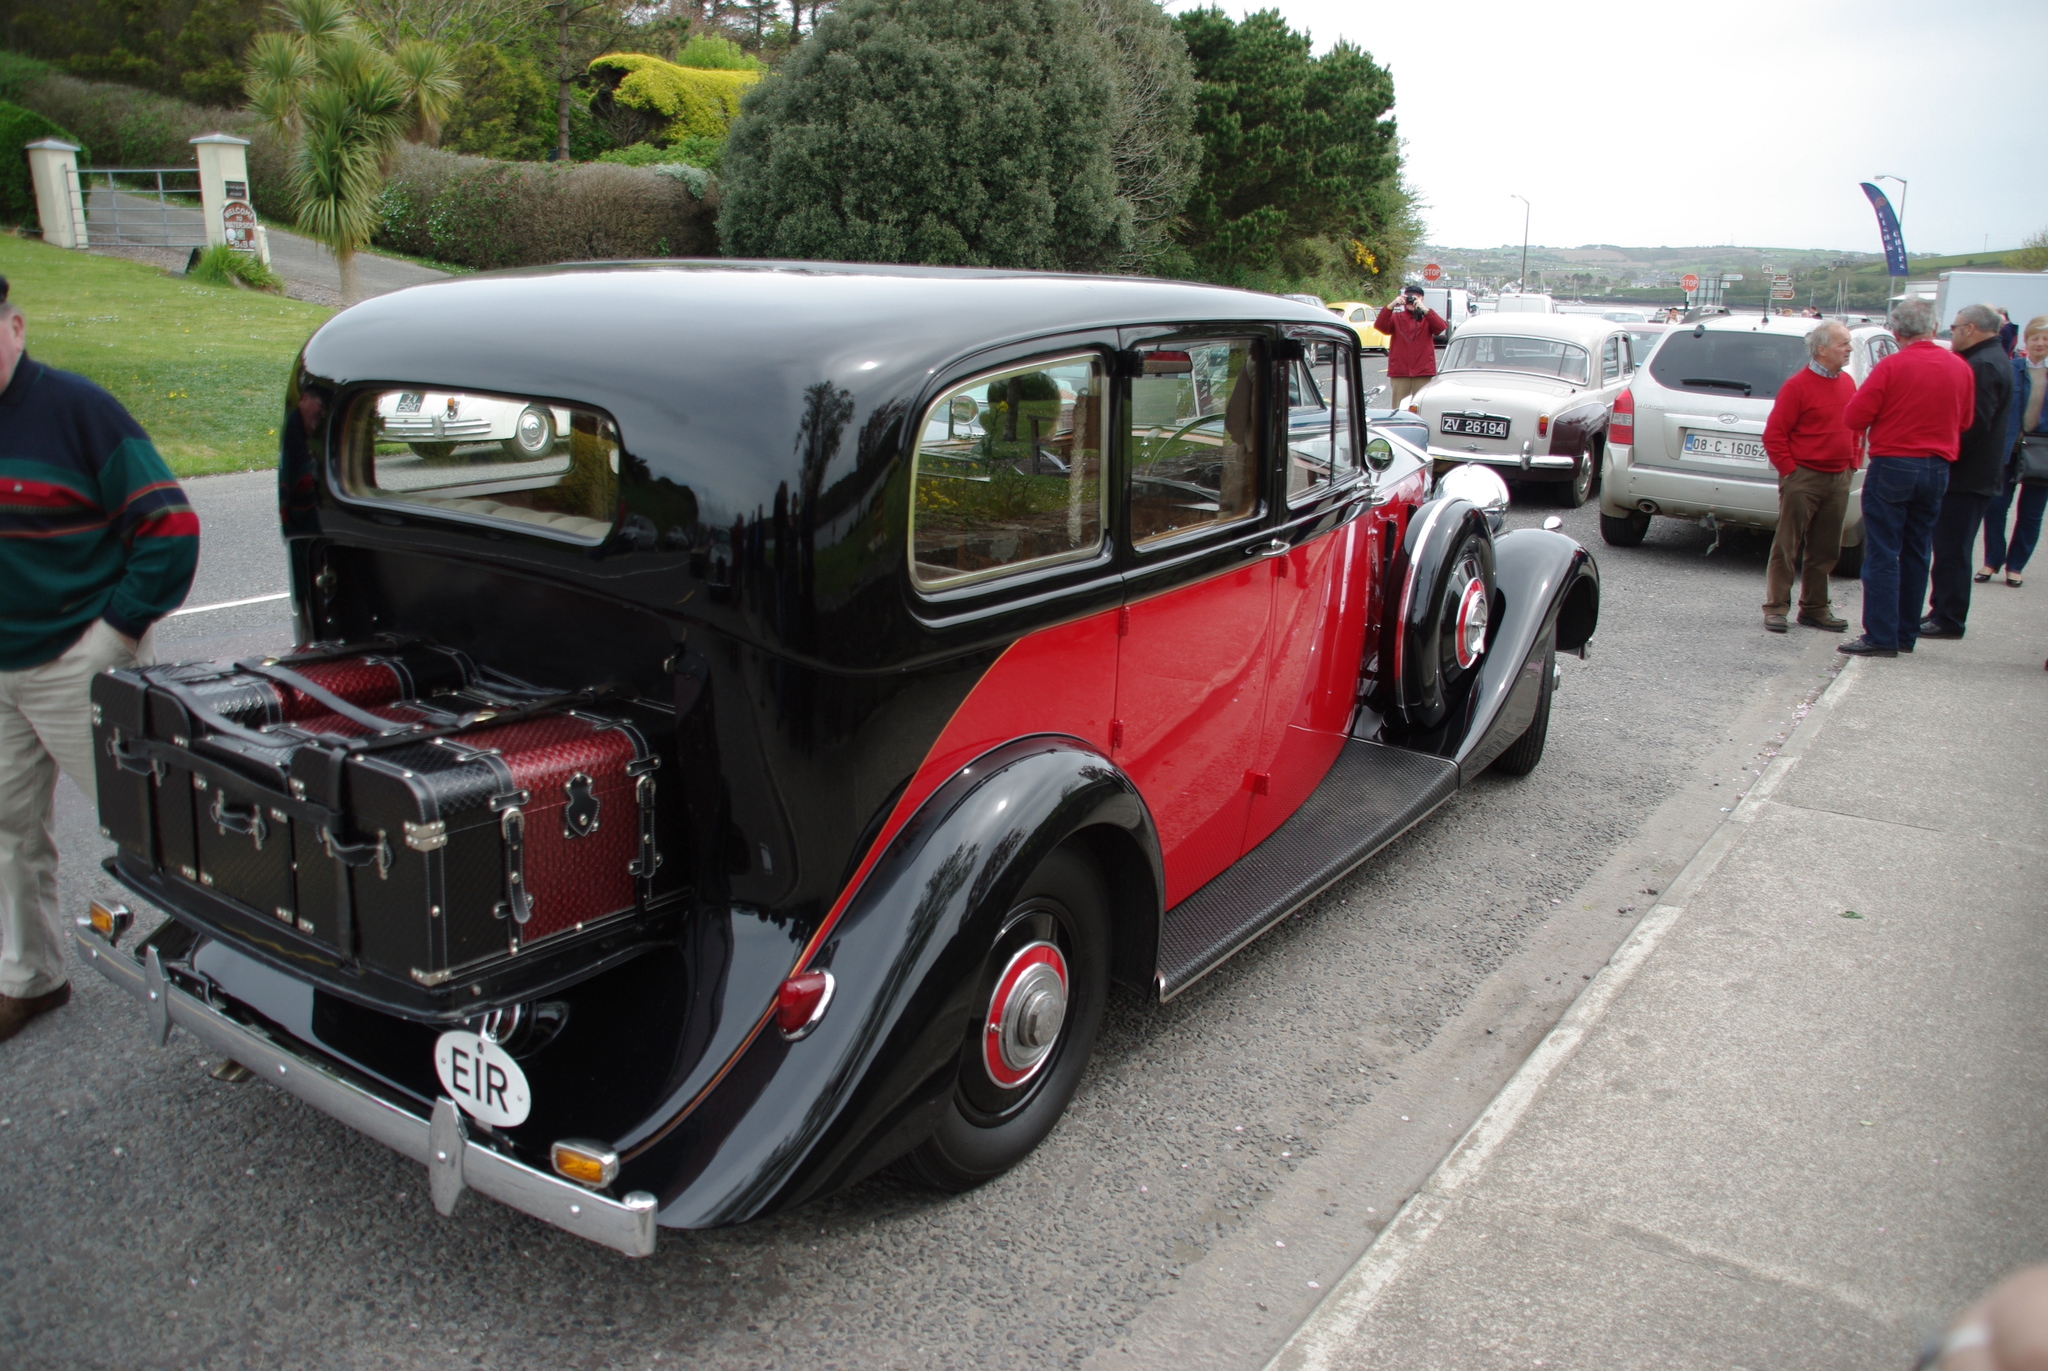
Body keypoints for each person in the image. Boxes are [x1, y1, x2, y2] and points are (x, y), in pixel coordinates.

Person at [0, 274, 197, 1043]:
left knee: (155, 824)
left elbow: (171, 528)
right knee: (9, 829)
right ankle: (31, 978)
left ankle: (244, 979)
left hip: (76, 658)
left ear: (15, 325)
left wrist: (111, 638)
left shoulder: (77, 412)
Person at [1836, 297, 1975, 657]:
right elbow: (1965, 421)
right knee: (1917, 549)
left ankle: (1880, 634)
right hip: (1938, 465)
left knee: (1883, 551)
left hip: (1895, 461)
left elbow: (1854, 417)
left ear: (1896, 332)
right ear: (1932, 328)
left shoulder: (1891, 367)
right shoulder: (1959, 367)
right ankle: (1905, 631)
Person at [1919, 304, 2015, 638]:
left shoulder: (1984, 364)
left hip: (1968, 475)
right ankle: (1941, 608)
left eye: (1956, 327)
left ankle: (1949, 617)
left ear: (1971, 328)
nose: (1952, 334)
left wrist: (1946, 452)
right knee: (1949, 547)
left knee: (1952, 548)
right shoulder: (1988, 358)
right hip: (1974, 473)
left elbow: (1975, 423)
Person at [1759, 321, 1859, 633]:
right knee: (1787, 546)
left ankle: (1815, 608)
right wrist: (1790, 471)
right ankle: (1776, 607)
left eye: (1849, 343)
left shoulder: (1848, 384)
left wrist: (1852, 462)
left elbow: (1856, 427)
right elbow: (1774, 435)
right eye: (1843, 343)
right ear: (1821, 349)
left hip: (1838, 477)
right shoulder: (1797, 386)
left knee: (1826, 548)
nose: (1849, 349)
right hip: (1804, 477)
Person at [1982, 314, 2048, 587]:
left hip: (2041, 452)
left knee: (2031, 513)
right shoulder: (2012, 368)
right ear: (2026, 340)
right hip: (2008, 448)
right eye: (2035, 337)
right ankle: (1992, 560)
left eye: (2045, 338)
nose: (2040, 343)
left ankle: (2016, 565)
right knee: (1995, 507)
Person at [1373, 284, 1447, 408]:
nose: (1411, 300)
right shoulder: (1396, 318)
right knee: (1398, 407)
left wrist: (1425, 310)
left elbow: (1440, 328)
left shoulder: (1428, 317)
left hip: (1422, 372)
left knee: (1421, 406)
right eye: (1409, 298)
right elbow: (1380, 326)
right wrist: (1390, 306)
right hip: (1400, 372)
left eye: (1416, 297)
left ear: (1422, 299)